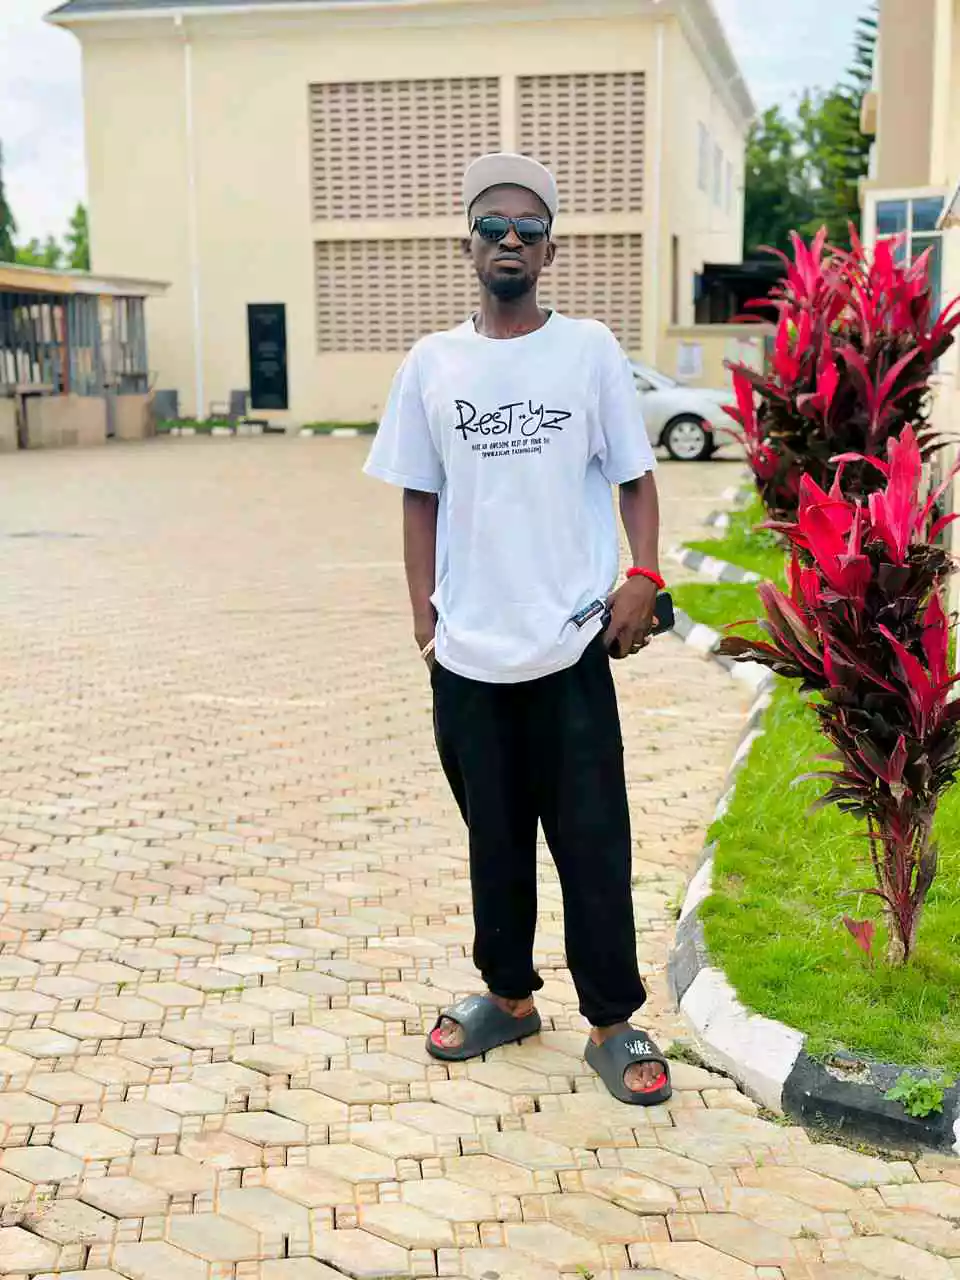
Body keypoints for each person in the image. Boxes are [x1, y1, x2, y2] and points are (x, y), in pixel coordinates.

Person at [364, 152, 671, 1104]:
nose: (509, 240)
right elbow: (418, 496)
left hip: (569, 644)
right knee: (492, 840)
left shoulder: (588, 350)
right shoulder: (432, 363)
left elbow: (635, 477)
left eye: (527, 229)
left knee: (593, 842)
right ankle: (508, 995)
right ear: (468, 244)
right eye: (492, 226)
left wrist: (644, 575)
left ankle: (613, 1021)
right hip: (466, 653)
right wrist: (425, 621)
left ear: (549, 251)